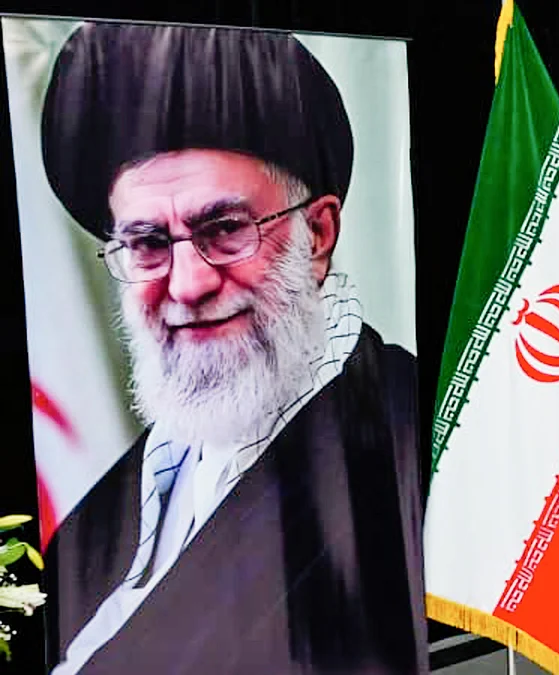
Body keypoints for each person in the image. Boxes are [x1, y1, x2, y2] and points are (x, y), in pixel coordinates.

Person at [34, 22, 428, 674]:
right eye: (149, 244)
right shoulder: (92, 526)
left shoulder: (417, 454)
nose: (187, 285)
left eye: (224, 228)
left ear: (319, 233)